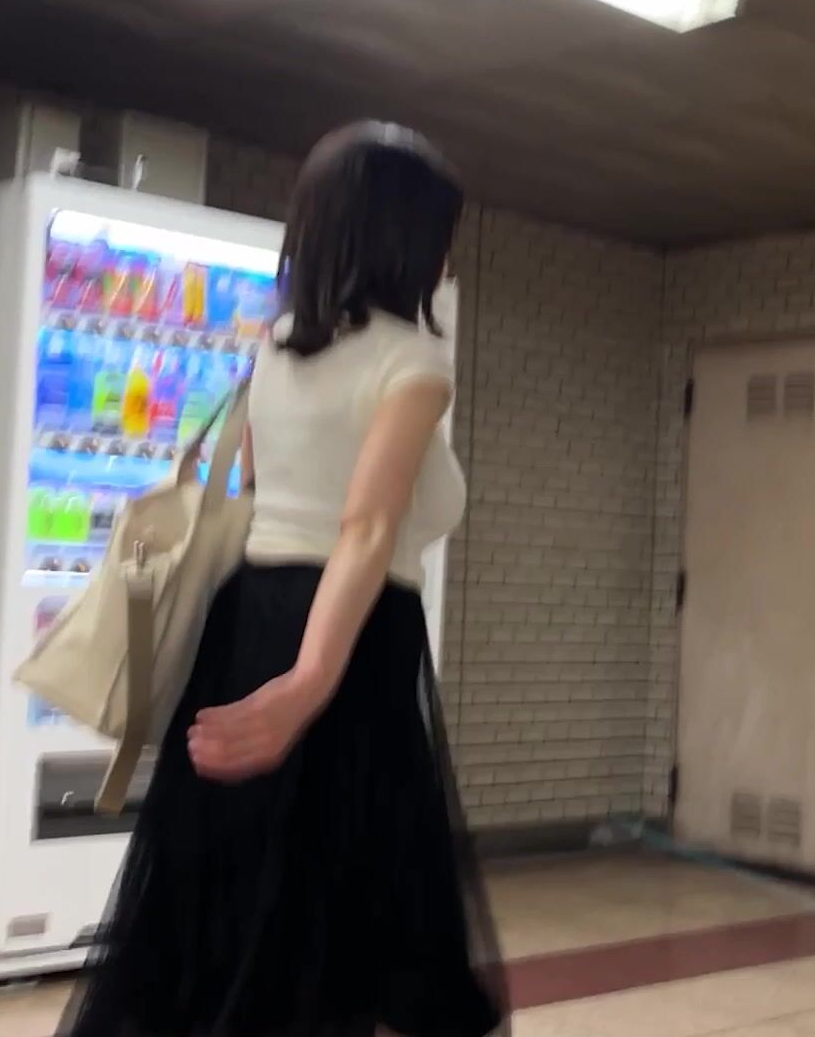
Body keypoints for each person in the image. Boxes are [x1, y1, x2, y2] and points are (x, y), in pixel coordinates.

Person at [62, 122, 507, 1037]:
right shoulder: (413, 361)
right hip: (352, 637)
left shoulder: (275, 348)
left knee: (238, 894)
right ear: (404, 237)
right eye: (441, 233)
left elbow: (266, 492)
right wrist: (309, 683)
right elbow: (366, 527)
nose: (447, 255)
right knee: (343, 907)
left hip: (250, 619)